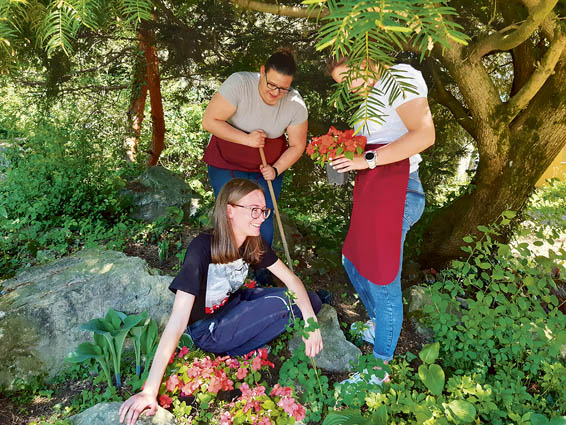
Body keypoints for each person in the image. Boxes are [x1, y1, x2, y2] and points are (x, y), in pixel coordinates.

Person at [119, 179, 323, 425]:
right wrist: (150, 389)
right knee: (289, 305)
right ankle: (235, 347)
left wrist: (311, 322)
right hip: (209, 329)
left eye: (264, 210)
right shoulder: (202, 248)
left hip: (235, 304)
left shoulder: (252, 242)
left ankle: (243, 341)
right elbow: (178, 320)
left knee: (309, 301)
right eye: (254, 210)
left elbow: (291, 280)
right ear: (229, 210)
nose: (261, 217)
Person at [327, 57, 435, 382]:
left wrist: (366, 158)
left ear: (366, 57)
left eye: (351, 77)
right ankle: (378, 323)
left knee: (383, 279)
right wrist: (339, 152)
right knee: (351, 259)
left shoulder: (400, 77)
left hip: (399, 191)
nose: (350, 88)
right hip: (372, 192)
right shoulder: (366, 103)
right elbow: (368, 148)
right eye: (342, 84)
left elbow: (424, 135)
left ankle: (380, 369)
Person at [201, 49, 308, 284]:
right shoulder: (239, 83)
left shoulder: (295, 104)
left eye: (283, 88)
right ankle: (229, 267)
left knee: (263, 218)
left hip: (266, 167)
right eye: (271, 85)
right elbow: (209, 121)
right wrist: (247, 139)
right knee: (232, 215)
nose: (275, 93)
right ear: (262, 71)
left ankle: (261, 269)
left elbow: (297, 145)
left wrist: (277, 169)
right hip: (227, 161)